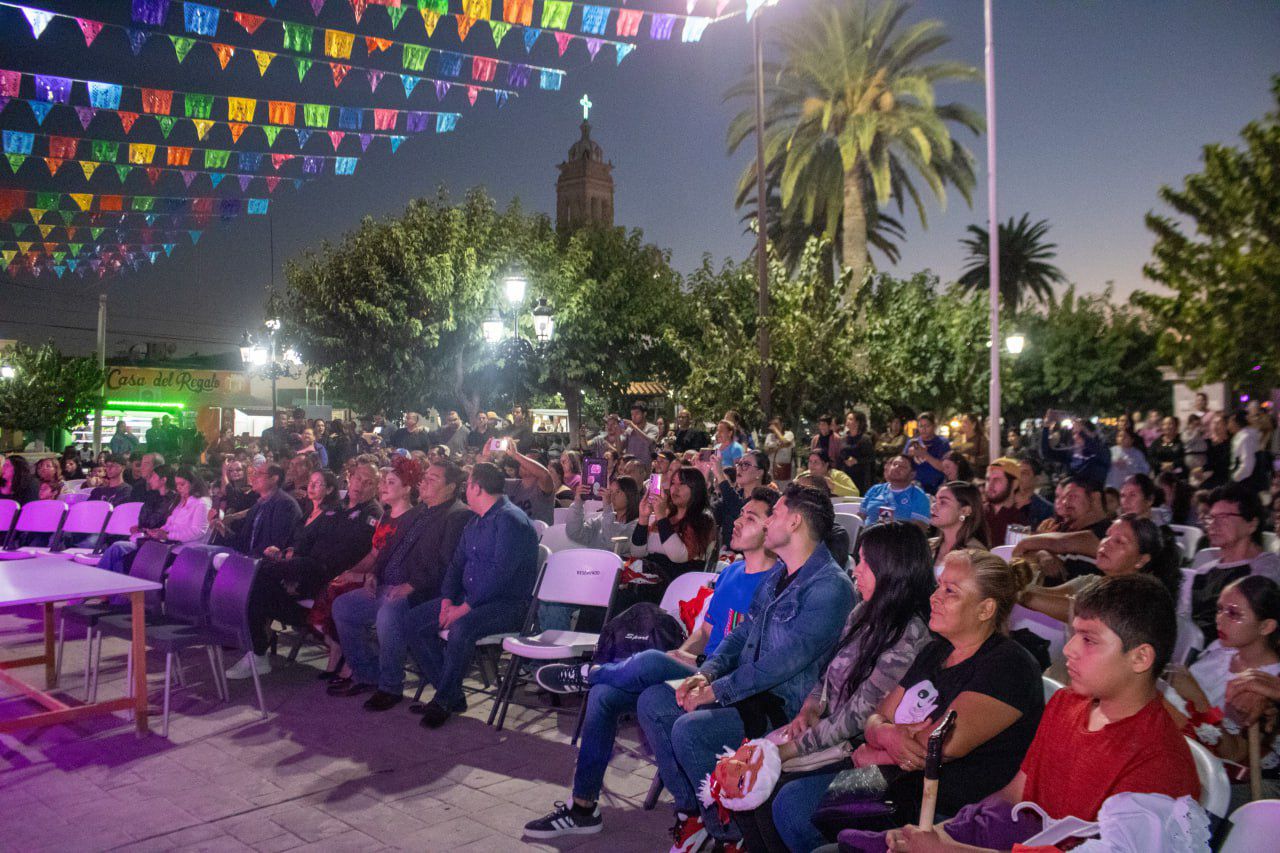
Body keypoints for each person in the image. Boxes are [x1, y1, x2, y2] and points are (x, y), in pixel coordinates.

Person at [849, 575, 1199, 853]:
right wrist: (934, 837)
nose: (1070, 649)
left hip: (939, 796)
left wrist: (946, 849)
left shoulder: (1160, 766)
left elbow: (929, 749)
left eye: (1089, 640)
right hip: (983, 826)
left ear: (1140, 658)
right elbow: (1014, 795)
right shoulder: (1065, 704)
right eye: (1074, 634)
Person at [522, 489, 782, 840]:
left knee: (647, 663)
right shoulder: (733, 573)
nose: (737, 519)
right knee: (603, 696)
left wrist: (687, 664)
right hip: (699, 668)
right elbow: (705, 632)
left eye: (750, 517)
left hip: (725, 683)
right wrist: (684, 653)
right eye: (742, 513)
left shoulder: (777, 584)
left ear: (774, 528)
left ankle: (588, 672)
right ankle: (583, 808)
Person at [635, 484, 855, 849]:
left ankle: (729, 832)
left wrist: (715, 691)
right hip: (746, 691)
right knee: (654, 703)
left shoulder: (830, 588)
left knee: (690, 730)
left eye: (777, 513)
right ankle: (698, 811)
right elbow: (741, 634)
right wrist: (707, 673)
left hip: (779, 706)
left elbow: (780, 664)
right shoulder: (779, 575)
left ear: (796, 521)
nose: (770, 522)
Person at [735, 522, 936, 853]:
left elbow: (859, 715)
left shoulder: (909, 636)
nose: (855, 569)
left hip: (869, 756)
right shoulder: (864, 612)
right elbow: (829, 673)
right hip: (830, 736)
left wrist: (788, 750)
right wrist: (810, 708)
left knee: (777, 794)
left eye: (866, 563)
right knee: (750, 783)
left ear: (892, 570)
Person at [839, 550, 1043, 835]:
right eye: (939, 586)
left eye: (950, 591)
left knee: (798, 810)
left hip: (948, 814)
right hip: (896, 785)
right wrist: (888, 735)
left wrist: (881, 753)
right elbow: (876, 718)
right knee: (786, 801)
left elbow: (937, 746)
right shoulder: (937, 649)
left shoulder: (1010, 666)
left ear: (985, 609)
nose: (934, 597)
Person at [329, 460, 472, 709]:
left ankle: (390, 686)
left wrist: (413, 585)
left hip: (424, 593)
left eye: (432, 478)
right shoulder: (417, 513)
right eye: (424, 477)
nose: (423, 482)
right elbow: (389, 550)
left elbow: (447, 564)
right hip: (388, 584)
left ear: (450, 487)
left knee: (389, 614)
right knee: (343, 607)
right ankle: (366, 673)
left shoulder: (457, 515)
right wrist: (373, 573)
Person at [413, 462, 540, 729]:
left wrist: (464, 608)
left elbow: (500, 575)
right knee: (413, 624)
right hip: (471, 601)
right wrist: (448, 599)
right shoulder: (475, 522)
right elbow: (456, 565)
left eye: (467, 484)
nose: (464, 489)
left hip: (508, 605)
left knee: (461, 628)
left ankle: (445, 700)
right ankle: (451, 693)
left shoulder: (510, 520)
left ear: (476, 487)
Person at [1164, 576, 1280, 807]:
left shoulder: (1269, 683)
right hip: (1192, 753)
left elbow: (1237, 755)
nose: (1220, 619)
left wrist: (1197, 700)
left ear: (1265, 626)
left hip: (1238, 779)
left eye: (1234, 614)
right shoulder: (1220, 651)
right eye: (1219, 610)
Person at [1019, 513, 1181, 624]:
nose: (1106, 543)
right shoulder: (1093, 582)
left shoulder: (1133, 601)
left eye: (1119, 541)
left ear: (1141, 560)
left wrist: (1011, 588)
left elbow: (1072, 608)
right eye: (1107, 535)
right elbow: (1042, 593)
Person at [1186, 484, 1280, 644]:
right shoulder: (1203, 572)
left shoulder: (1266, 571)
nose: (1213, 525)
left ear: (1252, 524)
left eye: (1224, 518)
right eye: (1211, 518)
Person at [622, 467, 718, 606]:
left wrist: (661, 516)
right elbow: (637, 552)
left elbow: (679, 556)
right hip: (650, 581)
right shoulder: (667, 518)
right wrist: (643, 518)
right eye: (673, 483)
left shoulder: (703, 519)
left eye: (682, 484)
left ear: (696, 488)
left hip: (676, 585)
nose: (675, 489)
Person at [1011, 476, 1112, 583]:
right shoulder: (1063, 529)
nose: (1064, 503)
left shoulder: (1107, 534)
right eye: (1063, 498)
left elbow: (1062, 543)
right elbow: (1021, 552)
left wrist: (1030, 543)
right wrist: (1041, 553)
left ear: (1095, 498)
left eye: (1072, 496)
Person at [217, 463, 302, 559]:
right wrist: (223, 529)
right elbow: (244, 541)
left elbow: (274, 544)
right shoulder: (258, 505)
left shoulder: (285, 504)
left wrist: (246, 559)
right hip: (250, 558)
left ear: (274, 479)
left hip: (267, 564)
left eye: (259, 474)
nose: (253, 478)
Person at [712, 450, 770, 549]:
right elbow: (710, 513)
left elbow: (739, 509)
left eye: (746, 464)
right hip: (727, 559)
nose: (739, 468)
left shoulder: (767, 499)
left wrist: (720, 475)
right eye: (739, 464)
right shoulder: (733, 496)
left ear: (759, 473)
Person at [930, 481, 990, 578]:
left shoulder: (975, 553)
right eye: (934, 501)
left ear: (965, 511)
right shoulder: (930, 546)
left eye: (943, 502)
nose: (933, 506)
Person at [566, 476, 640, 550]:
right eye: (610, 492)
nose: (612, 496)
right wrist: (578, 503)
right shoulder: (601, 519)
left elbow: (613, 544)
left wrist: (607, 509)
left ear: (630, 495)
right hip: (591, 560)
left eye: (618, 492)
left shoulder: (636, 525)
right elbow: (575, 534)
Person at [1039, 410, 1110, 488]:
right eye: (1074, 433)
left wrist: (1081, 432)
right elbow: (1047, 453)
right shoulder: (1071, 453)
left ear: (1092, 433)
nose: (1076, 436)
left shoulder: (1102, 450)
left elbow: (1094, 448)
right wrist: (1046, 426)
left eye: (1080, 432)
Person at [859, 455, 930, 525]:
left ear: (912, 474)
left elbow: (919, 529)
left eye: (902, 467)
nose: (896, 468)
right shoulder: (875, 490)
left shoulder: (919, 497)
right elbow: (861, 517)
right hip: (868, 534)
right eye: (894, 464)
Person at [495, 444, 555, 525]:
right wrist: (486, 457)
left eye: (527, 461)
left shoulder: (543, 487)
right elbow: (487, 481)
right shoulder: (513, 484)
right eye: (523, 459)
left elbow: (544, 474)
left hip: (538, 534)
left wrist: (516, 454)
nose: (522, 462)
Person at [982, 458, 1033, 547]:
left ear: (1014, 484)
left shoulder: (1019, 523)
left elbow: (1013, 558)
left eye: (997, 480)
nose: (990, 485)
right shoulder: (975, 513)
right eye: (988, 480)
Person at [903, 412, 950, 495]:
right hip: (915, 486)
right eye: (921, 426)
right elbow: (903, 464)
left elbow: (944, 467)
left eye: (927, 426)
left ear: (934, 426)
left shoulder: (942, 443)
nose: (924, 429)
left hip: (936, 487)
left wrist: (924, 454)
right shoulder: (912, 442)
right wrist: (909, 456)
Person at [838, 411, 876, 494]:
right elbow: (841, 453)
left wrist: (857, 460)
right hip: (846, 473)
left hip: (860, 475)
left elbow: (871, 457)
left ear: (858, 422)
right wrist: (845, 459)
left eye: (851, 419)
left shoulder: (865, 439)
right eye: (847, 419)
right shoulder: (843, 438)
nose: (847, 421)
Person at [1228, 409, 1264, 489]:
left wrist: (1234, 480)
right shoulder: (1242, 436)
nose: (1228, 426)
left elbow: (1247, 466)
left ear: (1235, 422)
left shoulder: (1246, 438)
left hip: (1244, 484)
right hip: (1242, 482)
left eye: (1230, 422)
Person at [1195, 412, 1232, 490]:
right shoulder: (1209, 443)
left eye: (1218, 423)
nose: (1215, 426)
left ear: (1226, 426)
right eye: (1213, 423)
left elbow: (1221, 464)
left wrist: (1203, 469)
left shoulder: (1230, 443)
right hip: (1212, 477)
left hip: (1225, 479)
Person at [1016, 457, 1056, 529]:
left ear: (1036, 479)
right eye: (1017, 472)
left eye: (1024, 473)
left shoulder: (1046, 510)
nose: (1019, 476)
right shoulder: (1003, 502)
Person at [1106, 426, 1151, 490]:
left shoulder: (1138, 454)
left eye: (1125, 436)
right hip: (1112, 486)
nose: (1122, 438)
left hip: (1130, 489)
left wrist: (1128, 465)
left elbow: (1145, 471)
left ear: (1132, 440)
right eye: (1119, 436)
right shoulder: (1110, 451)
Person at [763, 417, 795, 483]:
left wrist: (776, 430)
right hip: (772, 468)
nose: (774, 426)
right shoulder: (769, 436)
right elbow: (766, 451)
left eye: (776, 424)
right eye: (773, 424)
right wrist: (780, 446)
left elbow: (785, 442)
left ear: (782, 424)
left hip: (785, 469)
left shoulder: (789, 434)